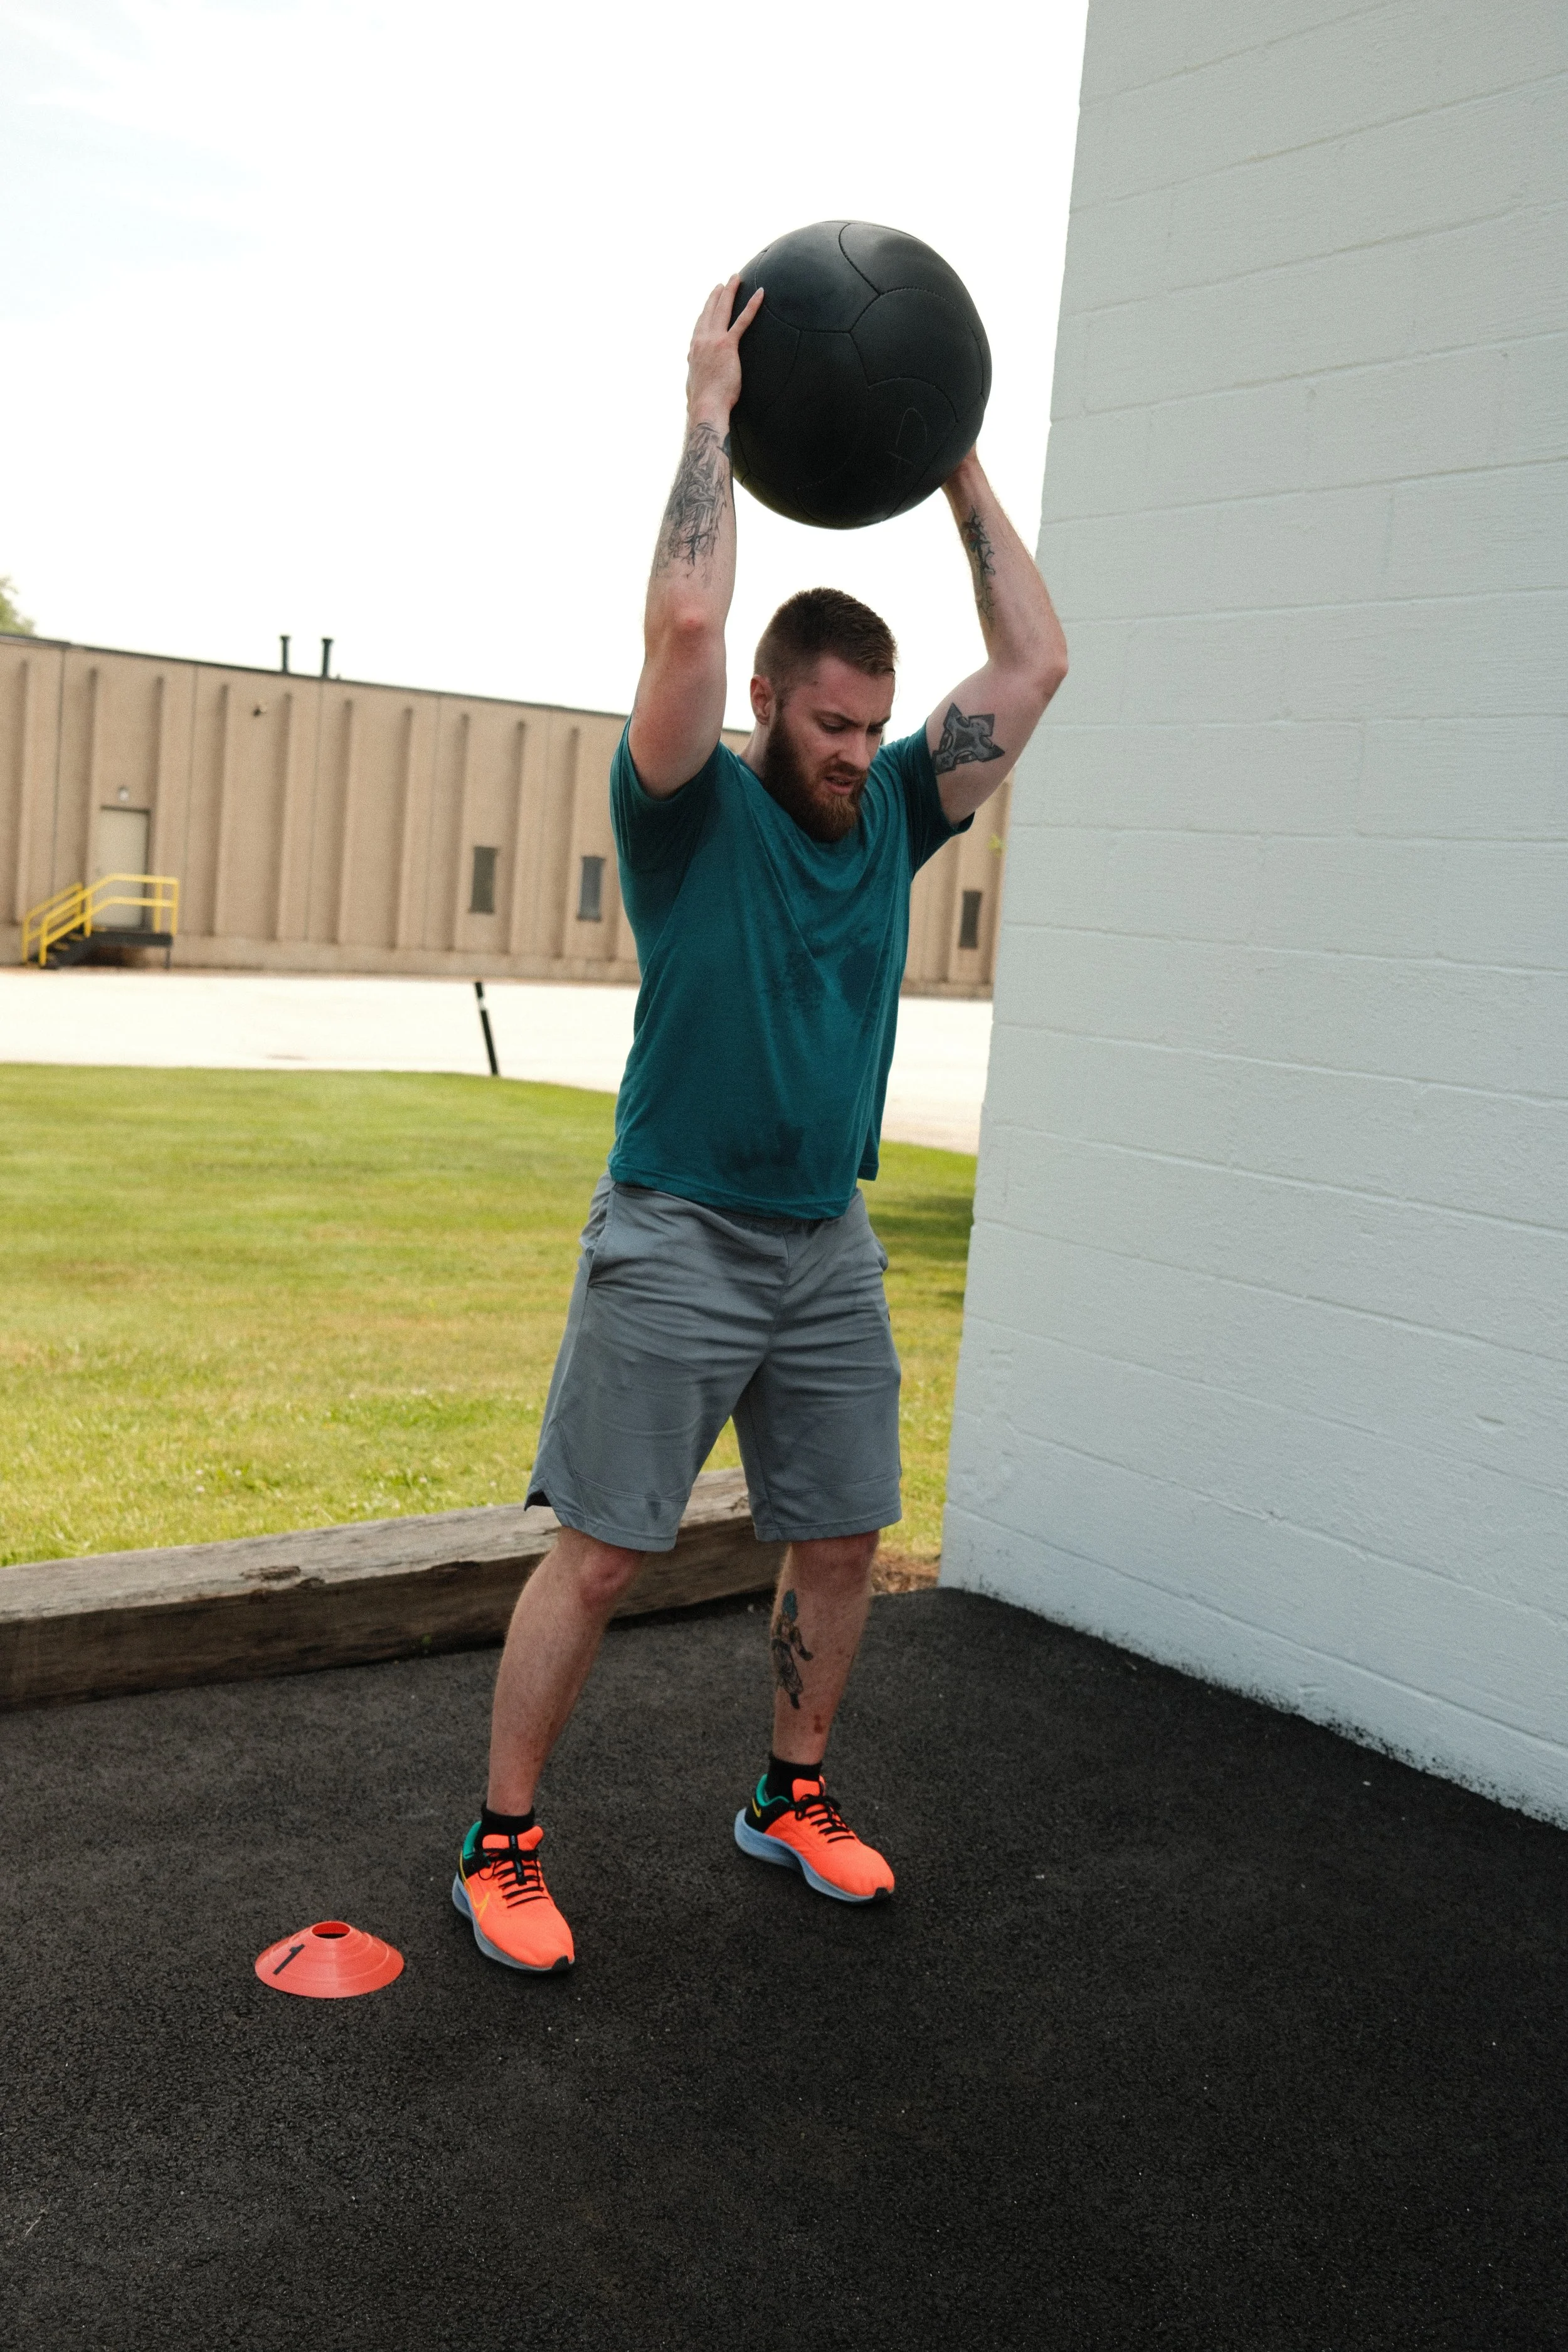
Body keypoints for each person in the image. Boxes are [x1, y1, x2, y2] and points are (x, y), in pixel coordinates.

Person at [453, 275, 1068, 1973]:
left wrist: (949, 460)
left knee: (845, 1533)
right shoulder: (686, 807)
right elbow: (678, 635)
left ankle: (787, 1793)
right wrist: (709, 415)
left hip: (824, 1238)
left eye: (876, 730)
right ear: (769, 708)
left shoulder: (887, 818)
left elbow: (1034, 659)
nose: (859, 755)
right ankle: (498, 1841)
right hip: (675, 1223)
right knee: (598, 1558)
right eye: (830, 724)